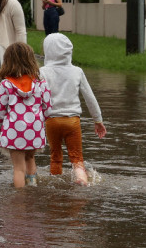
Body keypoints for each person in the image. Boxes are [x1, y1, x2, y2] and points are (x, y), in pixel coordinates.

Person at [40, 33, 107, 186]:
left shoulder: (42, 71)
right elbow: (90, 98)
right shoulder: (77, 71)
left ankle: (54, 184)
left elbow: (37, 96)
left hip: (51, 120)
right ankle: (82, 180)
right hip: (72, 121)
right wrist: (98, 120)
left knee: (55, 157)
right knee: (77, 158)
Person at [0, 42, 52, 188]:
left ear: (8, 62)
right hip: (34, 130)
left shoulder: (6, 85)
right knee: (30, 159)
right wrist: (40, 122)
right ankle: (32, 188)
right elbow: (48, 109)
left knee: (18, 168)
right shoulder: (41, 83)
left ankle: (20, 197)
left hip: (14, 131)